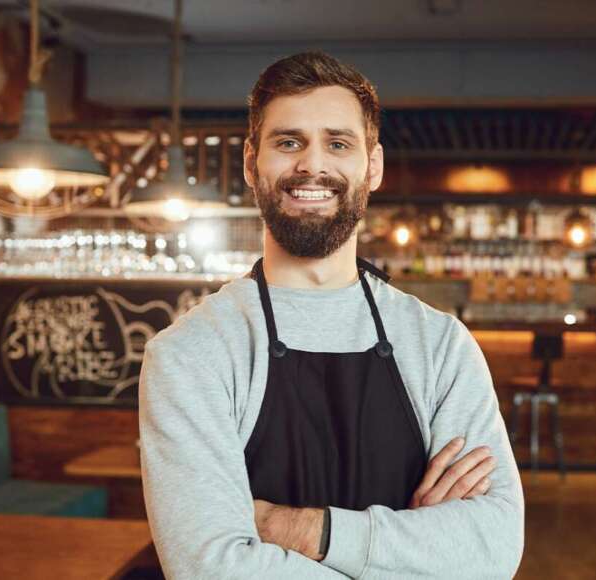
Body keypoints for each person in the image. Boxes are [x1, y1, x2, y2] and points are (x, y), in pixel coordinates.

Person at [139, 51, 524, 579]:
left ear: (374, 165)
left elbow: (492, 552)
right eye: (288, 142)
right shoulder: (191, 353)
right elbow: (211, 570)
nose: (312, 166)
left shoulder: (440, 345)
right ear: (252, 163)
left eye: (338, 144)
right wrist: (413, 554)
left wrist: (290, 526)